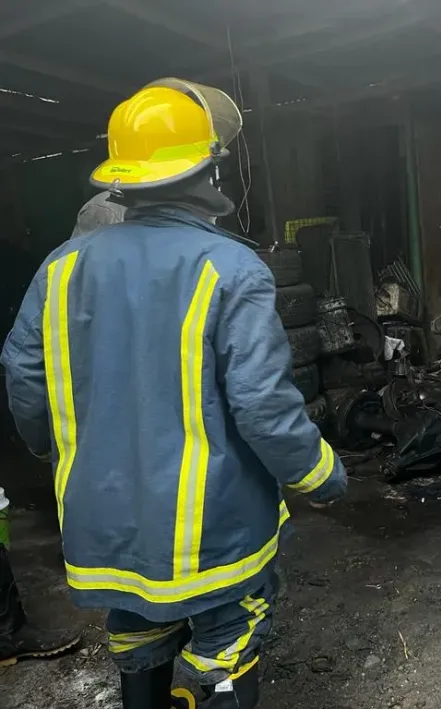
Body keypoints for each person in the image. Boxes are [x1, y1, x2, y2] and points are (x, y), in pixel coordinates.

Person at [1, 78, 346, 709]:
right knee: (226, 651)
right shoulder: (231, 268)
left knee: (138, 635)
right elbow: (264, 407)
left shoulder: (61, 267)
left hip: (105, 530)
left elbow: (24, 378)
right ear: (209, 166)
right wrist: (320, 475)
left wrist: (56, 456)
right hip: (212, 532)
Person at [0, 188, 129, 667]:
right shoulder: (168, 268)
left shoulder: (53, 273)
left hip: (80, 443)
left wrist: (38, 438)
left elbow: (21, 367)